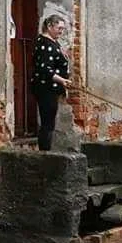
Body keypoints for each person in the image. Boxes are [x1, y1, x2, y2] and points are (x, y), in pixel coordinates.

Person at [30, 14, 70, 151]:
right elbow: (45, 69)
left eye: (63, 29)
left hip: (51, 89)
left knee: (50, 122)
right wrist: (62, 80)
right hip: (45, 89)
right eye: (59, 28)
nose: (61, 31)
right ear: (49, 26)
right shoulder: (44, 44)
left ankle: (46, 151)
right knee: (47, 123)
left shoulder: (52, 42)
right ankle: (45, 153)